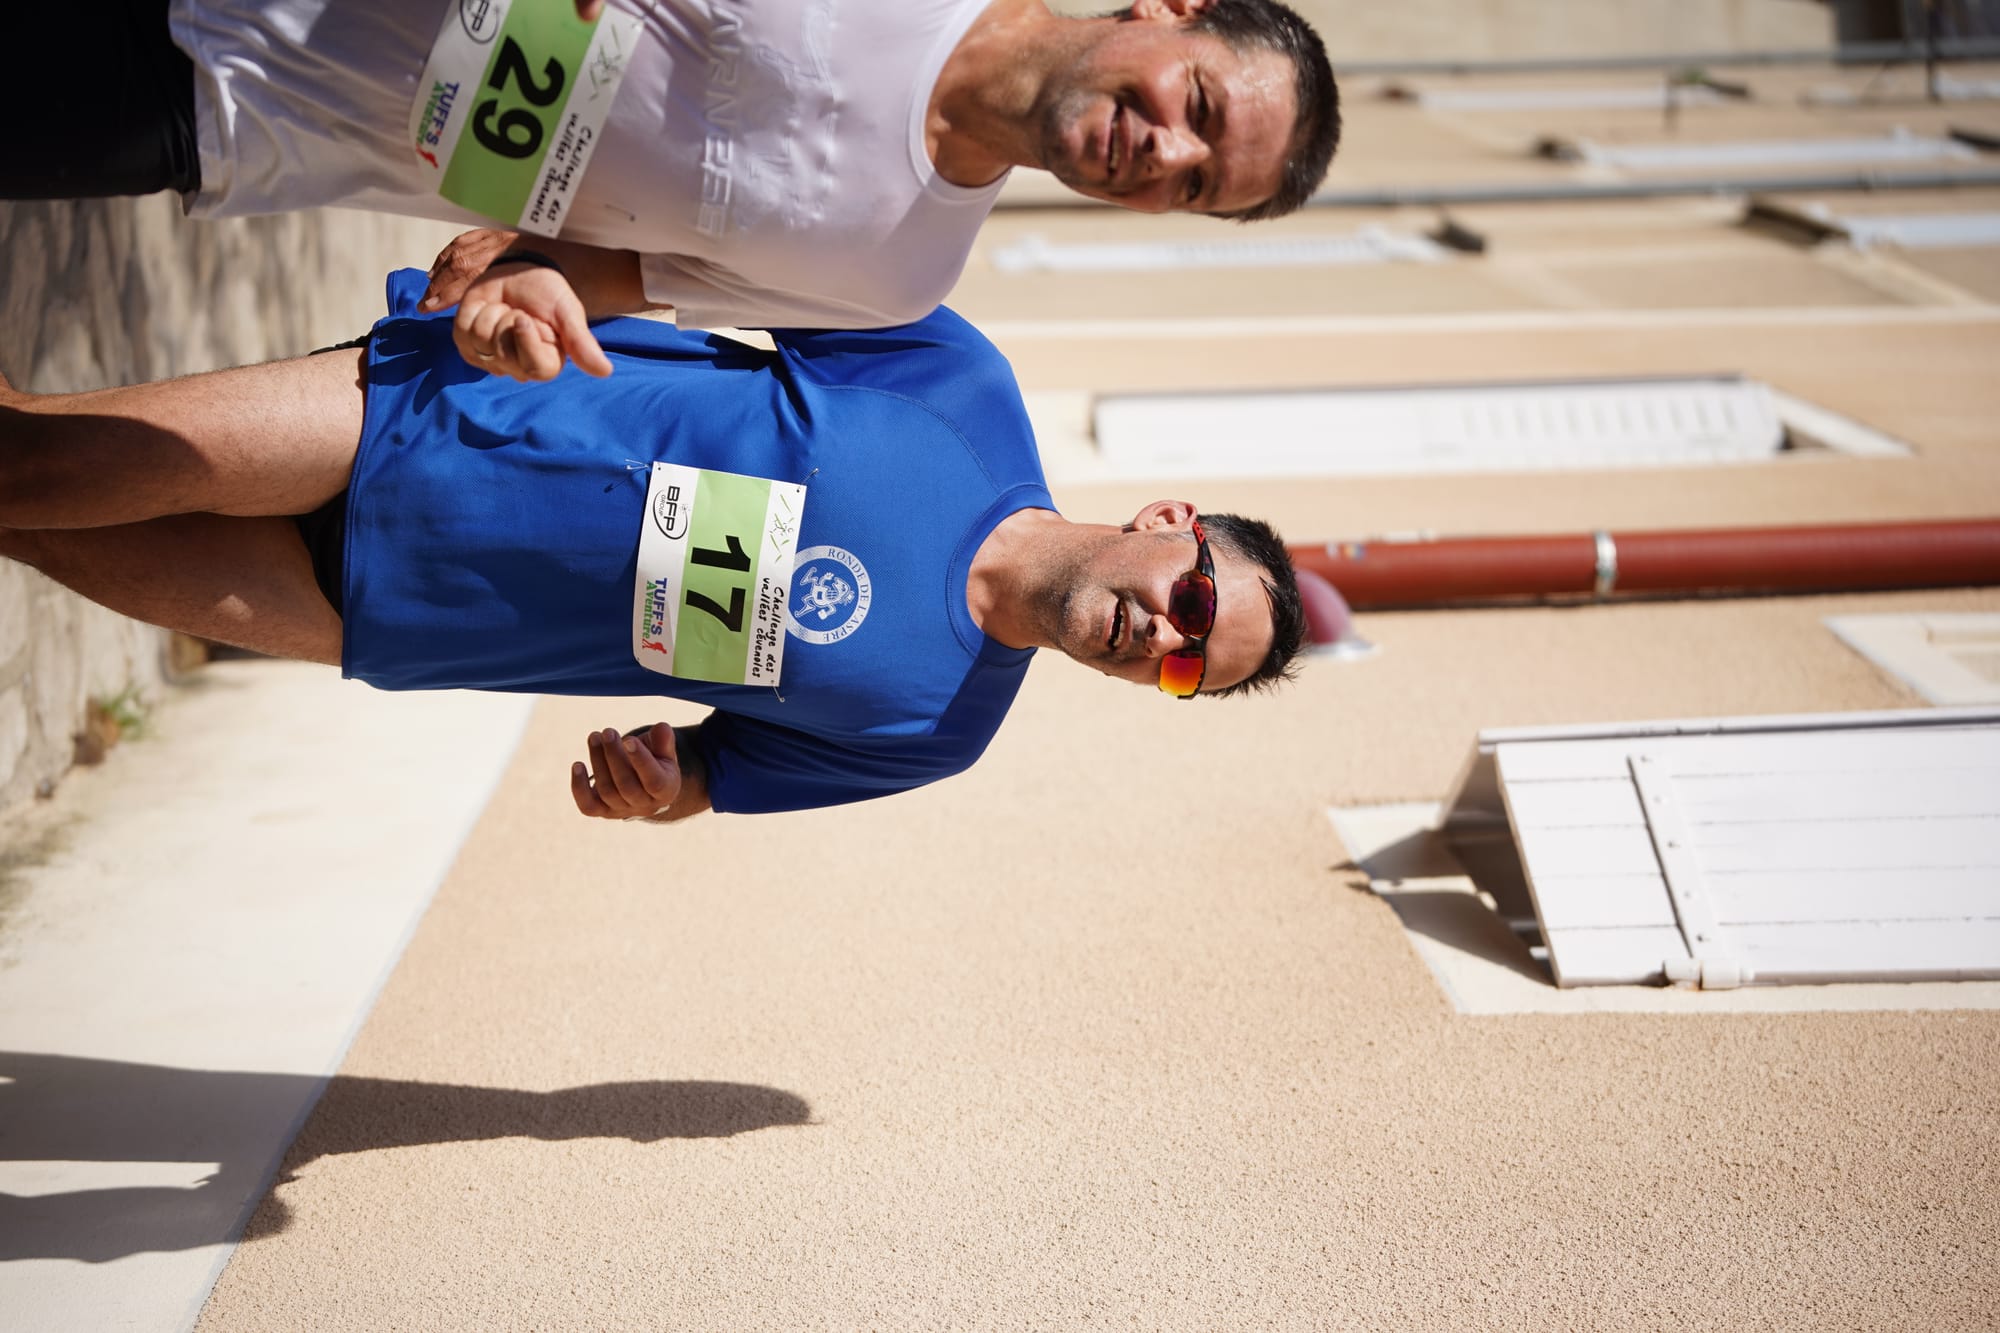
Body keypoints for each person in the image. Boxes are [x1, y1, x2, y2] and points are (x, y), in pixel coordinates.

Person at [0, 269, 1307, 821]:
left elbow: (712, 772)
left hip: (401, 609)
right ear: (1168, 523)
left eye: (1191, 666)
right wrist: (534, 268)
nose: (1166, 639)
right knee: (39, 465)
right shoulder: (960, 387)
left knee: (17, 516)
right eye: (1195, 600)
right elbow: (703, 263)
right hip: (434, 425)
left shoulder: (940, 731)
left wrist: (655, 785)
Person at [8, 0, 1340, 374]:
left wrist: (517, 301)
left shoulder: (898, 275)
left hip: (222, 116)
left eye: (1195, 187)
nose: (1161, 155)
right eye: (1198, 108)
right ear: (1170, 11)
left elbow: (579, 273)